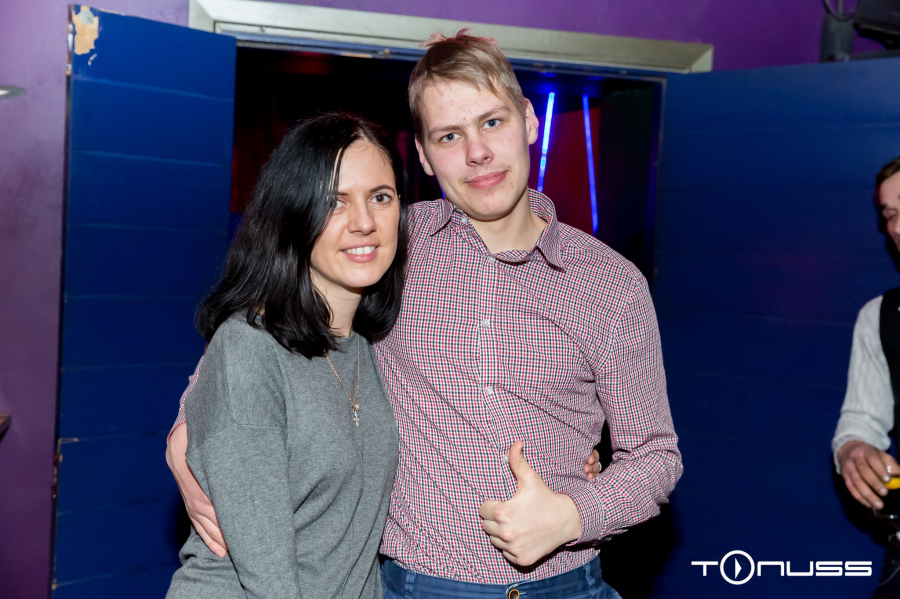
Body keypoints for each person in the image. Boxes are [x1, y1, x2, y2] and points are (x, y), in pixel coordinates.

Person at [169, 31, 682, 598]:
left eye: (492, 122)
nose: (477, 153)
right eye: (449, 135)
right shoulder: (385, 245)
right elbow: (248, 355)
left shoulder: (610, 284)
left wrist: (573, 514)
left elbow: (655, 456)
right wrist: (181, 438)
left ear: (529, 121)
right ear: (422, 153)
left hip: (564, 586)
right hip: (411, 587)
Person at [165, 112, 408, 598]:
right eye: (334, 202)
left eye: (380, 197)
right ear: (293, 214)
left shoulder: (366, 347)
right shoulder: (249, 346)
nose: (364, 222)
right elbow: (268, 575)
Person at [833, 155, 900, 599]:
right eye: (890, 214)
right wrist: (853, 450)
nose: (898, 227)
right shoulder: (880, 317)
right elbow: (860, 421)